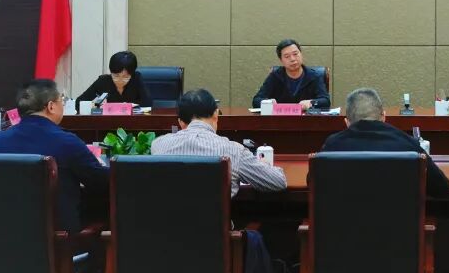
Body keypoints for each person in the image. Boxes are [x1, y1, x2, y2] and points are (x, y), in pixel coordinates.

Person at [0, 79, 108, 233]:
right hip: (58, 231)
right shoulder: (66, 141)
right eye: (61, 101)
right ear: (51, 106)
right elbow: (101, 182)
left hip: (8, 228)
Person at [151, 89, 286, 197]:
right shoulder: (233, 151)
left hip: (167, 224)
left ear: (181, 122)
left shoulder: (158, 145)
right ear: (216, 114)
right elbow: (278, 182)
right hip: (213, 224)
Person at [321, 88, 449, 197]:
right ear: (383, 116)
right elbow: (442, 189)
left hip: (345, 220)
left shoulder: (332, 145)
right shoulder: (408, 144)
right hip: (400, 220)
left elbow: (316, 186)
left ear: (347, 122)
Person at [251, 39, 330, 109]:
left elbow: (326, 101)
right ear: (281, 60)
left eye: (295, 54)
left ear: (301, 54)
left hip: (307, 119)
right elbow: (256, 101)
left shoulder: (314, 76)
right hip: (281, 119)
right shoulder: (275, 76)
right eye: (287, 56)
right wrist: (268, 103)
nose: (292, 59)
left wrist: (311, 103)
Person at [75, 50, 153, 108]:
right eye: (116, 76)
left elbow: (148, 104)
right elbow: (78, 102)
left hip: (132, 121)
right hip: (108, 122)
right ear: (111, 72)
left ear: (131, 74)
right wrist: (95, 105)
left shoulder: (136, 79)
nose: (120, 80)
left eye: (125, 77)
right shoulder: (103, 81)